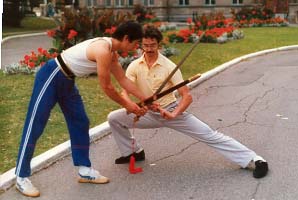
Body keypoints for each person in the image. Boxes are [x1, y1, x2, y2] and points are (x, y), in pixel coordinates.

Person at [108, 25, 269, 179]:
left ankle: (254, 160)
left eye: (153, 45)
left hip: (170, 110)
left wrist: (173, 114)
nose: (149, 49)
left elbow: (186, 96)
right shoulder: (134, 65)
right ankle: (133, 153)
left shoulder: (169, 66)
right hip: (147, 112)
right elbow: (125, 91)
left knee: (210, 135)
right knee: (114, 118)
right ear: (140, 44)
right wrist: (134, 107)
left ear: (159, 44)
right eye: (145, 45)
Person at [15, 21, 148, 197]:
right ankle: (21, 177)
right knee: (35, 124)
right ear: (126, 38)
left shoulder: (111, 53)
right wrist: (128, 105)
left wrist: (146, 99)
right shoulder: (103, 49)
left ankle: (84, 170)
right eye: (136, 42)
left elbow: (123, 80)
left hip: (67, 81)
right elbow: (107, 87)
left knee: (80, 121)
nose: (137, 46)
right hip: (52, 75)